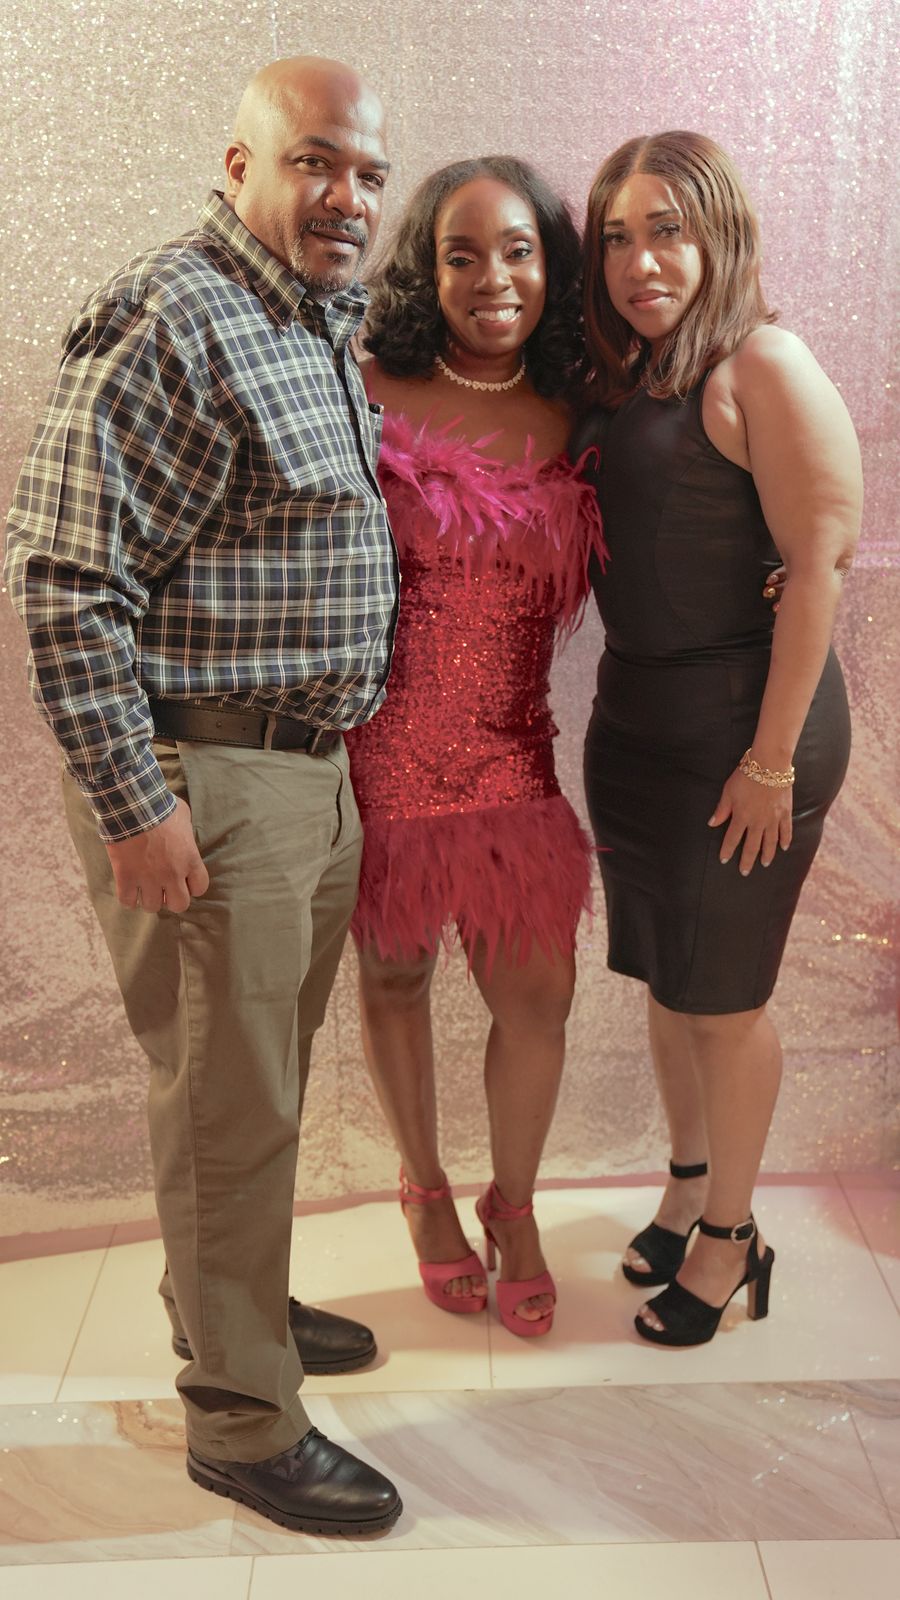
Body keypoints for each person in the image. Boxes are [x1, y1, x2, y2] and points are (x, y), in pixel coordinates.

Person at [4, 56, 404, 1535]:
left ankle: (228, 1302)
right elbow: (63, 579)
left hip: (301, 772)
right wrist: (136, 803)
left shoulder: (312, 319)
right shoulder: (174, 312)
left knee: (256, 1085)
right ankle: (241, 1418)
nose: (348, 196)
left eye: (368, 172)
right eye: (315, 161)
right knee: (230, 1103)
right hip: (204, 777)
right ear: (238, 167)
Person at [577, 131, 862, 1346]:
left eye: (667, 231)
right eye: (618, 236)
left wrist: (770, 760)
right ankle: (690, 1185)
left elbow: (821, 567)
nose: (639, 260)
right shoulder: (631, 371)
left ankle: (735, 1239)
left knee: (725, 1000)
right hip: (638, 724)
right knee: (669, 978)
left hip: (748, 732)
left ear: (721, 235)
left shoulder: (763, 362)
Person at [344, 156, 606, 1337]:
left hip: (512, 755)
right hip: (381, 755)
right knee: (394, 977)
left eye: (517, 250)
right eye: (462, 254)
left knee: (538, 997)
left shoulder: (583, 407)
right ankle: (424, 1188)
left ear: (552, 264)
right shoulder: (367, 387)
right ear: (429, 269)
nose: (492, 277)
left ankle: (516, 1204)